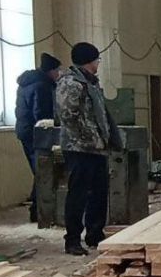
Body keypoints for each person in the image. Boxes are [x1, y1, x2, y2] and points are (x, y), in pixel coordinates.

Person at [55, 42, 122, 255]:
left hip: (96, 148)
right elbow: (68, 116)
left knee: (99, 193)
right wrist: (87, 137)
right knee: (78, 194)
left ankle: (95, 234)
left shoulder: (90, 83)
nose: (98, 64)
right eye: (97, 60)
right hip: (79, 149)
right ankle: (72, 240)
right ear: (89, 61)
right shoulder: (71, 83)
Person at [14, 52, 61, 222]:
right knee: (43, 171)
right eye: (57, 71)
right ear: (51, 71)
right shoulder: (42, 86)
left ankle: (38, 210)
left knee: (39, 171)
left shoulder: (27, 83)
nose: (59, 74)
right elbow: (41, 114)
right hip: (37, 134)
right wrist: (53, 130)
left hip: (25, 132)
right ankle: (39, 211)